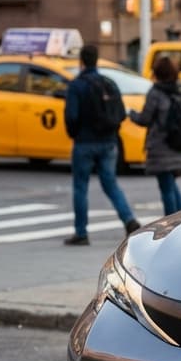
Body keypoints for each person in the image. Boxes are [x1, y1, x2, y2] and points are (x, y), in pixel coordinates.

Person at [63, 45, 140, 245]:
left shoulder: (77, 85)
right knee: (111, 184)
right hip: (108, 142)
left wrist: (76, 134)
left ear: (81, 61)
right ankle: (129, 220)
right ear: (96, 60)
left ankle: (81, 232)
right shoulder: (109, 83)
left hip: (85, 142)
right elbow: (121, 113)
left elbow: (71, 116)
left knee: (80, 187)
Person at [130, 56, 181, 215]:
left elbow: (145, 119)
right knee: (170, 184)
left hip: (161, 147)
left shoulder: (156, 92)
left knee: (166, 188)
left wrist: (131, 114)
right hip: (180, 144)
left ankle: (171, 225)